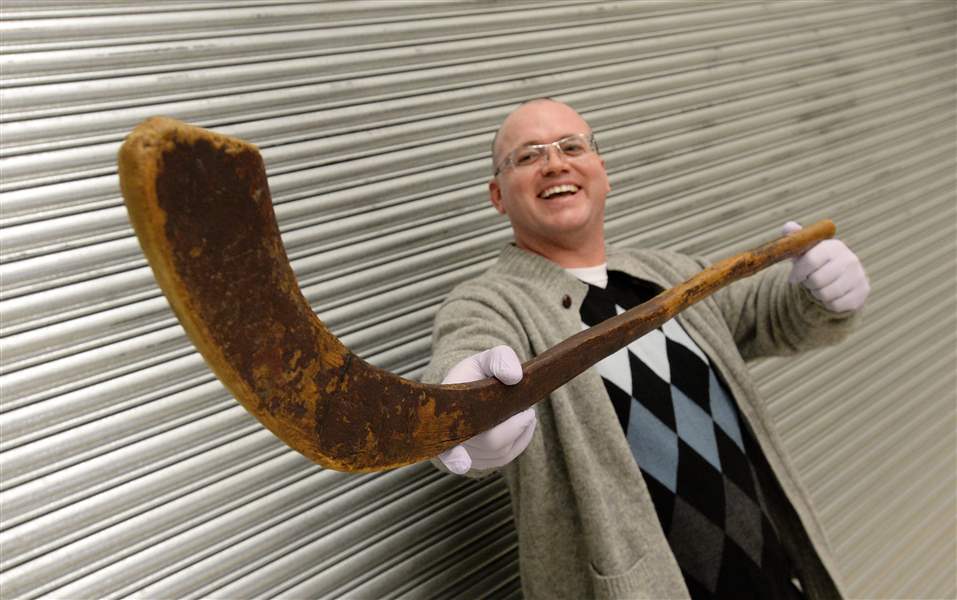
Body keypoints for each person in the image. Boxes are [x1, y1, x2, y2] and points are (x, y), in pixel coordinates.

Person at [420, 99, 869, 600]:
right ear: (497, 195)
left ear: (603, 172)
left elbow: (773, 314)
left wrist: (819, 294)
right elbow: (464, 352)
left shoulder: (672, 274)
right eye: (527, 157)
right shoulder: (492, 303)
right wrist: (464, 415)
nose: (555, 163)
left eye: (572, 146)